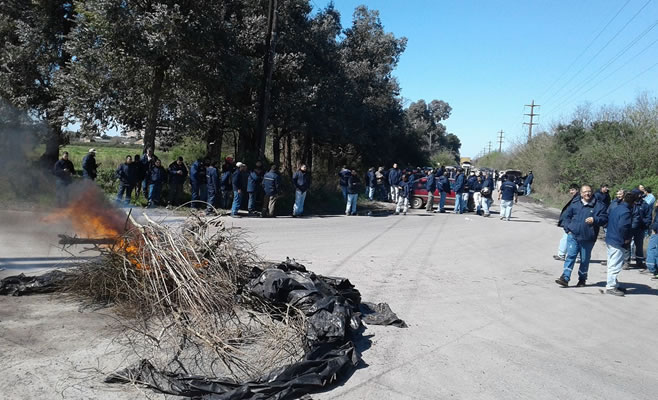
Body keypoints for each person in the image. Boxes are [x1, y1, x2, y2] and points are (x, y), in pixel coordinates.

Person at [555, 185, 608, 287]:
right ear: (581, 193)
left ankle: (582, 279)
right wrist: (568, 229)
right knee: (570, 256)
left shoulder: (599, 206)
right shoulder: (575, 204)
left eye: (589, 192)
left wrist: (595, 220)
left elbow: (605, 219)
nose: (587, 194)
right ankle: (565, 278)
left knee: (584, 259)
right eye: (584, 192)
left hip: (588, 238)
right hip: (573, 235)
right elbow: (566, 217)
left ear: (592, 192)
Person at [603, 192, 635, 296]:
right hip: (618, 240)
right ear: (633, 203)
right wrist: (626, 238)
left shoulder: (616, 208)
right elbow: (624, 227)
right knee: (615, 265)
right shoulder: (626, 212)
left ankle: (614, 284)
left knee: (611, 262)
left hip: (610, 238)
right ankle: (611, 286)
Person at [625, 188, 652, 269]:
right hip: (630, 228)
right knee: (627, 244)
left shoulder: (645, 205)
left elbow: (648, 217)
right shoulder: (629, 204)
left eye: (635, 194)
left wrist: (644, 224)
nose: (633, 195)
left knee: (639, 245)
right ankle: (626, 261)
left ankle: (639, 261)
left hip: (640, 228)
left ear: (639, 195)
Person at [553, 184, 581, 260]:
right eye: (570, 190)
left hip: (573, 223)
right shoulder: (576, 198)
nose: (570, 192)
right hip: (570, 222)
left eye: (572, 190)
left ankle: (575, 256)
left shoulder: (578, 199)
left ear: (577, 190)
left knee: (573, 239)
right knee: (566, 238)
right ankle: (563, 254)